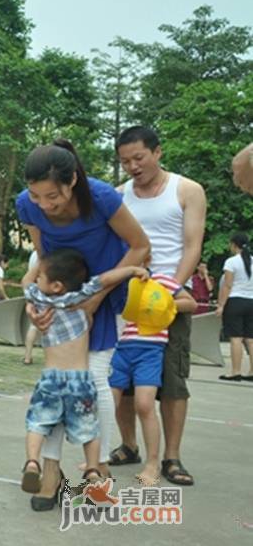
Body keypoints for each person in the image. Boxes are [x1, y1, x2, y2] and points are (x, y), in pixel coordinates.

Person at [17, 139, 150, 510]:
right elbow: (43, 258)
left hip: (102, 297)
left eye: (52, 197)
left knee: (95, 380)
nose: (44, 205)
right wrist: (37, 304)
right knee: (58, 385)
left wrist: (93, 300)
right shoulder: (26, 204)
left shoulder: (102, 197)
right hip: (59, 303)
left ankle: (98, 469)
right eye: (36, 195)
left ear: (72, 180)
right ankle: (50, 472)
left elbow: (140, 246)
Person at [112, 126, 206, 487]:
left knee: (171, 380)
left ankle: (171, 457)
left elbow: (192, 245)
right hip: (131, 297)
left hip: (169, 298)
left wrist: (170, 291)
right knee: (120, 378)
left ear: (158, 152)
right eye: (125, 161)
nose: (133, 166)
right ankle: (129, 445)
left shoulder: (187, 190)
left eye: (139, 157)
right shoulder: (119, 196)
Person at [21, 249, 149, 499]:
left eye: (42, 277)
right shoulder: (79, 300)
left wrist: (38, 260)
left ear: (55, 285)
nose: (37, 280)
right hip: (81, 380)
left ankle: (32, 463)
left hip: (51, 379)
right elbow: (105, 280)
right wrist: (133, 270)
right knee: (89, 429)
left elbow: (26, 280)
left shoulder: (39, 300)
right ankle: (92, 469)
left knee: (38, 424)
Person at [110, 267, 196, 486]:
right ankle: (97, 459)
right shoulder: (115, 282)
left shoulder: (160, 281)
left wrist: (160, 305)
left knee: (144, 405)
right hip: (118, 350)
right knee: (108, 403)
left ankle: (153, 463)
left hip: (150, 350)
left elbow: (191, 303)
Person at [216, 233, 253, 381]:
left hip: (235, 301)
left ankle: (235, 371)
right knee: (251, 339)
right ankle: (251, 372)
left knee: (236, 338)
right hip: (252, 301)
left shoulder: (231, 262)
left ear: (233, 244)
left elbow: (227, 285)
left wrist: (221, 305)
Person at [23, 250, 40, 365]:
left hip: (34, 289)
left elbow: (28, 276)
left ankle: (27, 356)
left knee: (33, 325)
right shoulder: (51, 250)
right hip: (50, 288)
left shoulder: (34, 254)